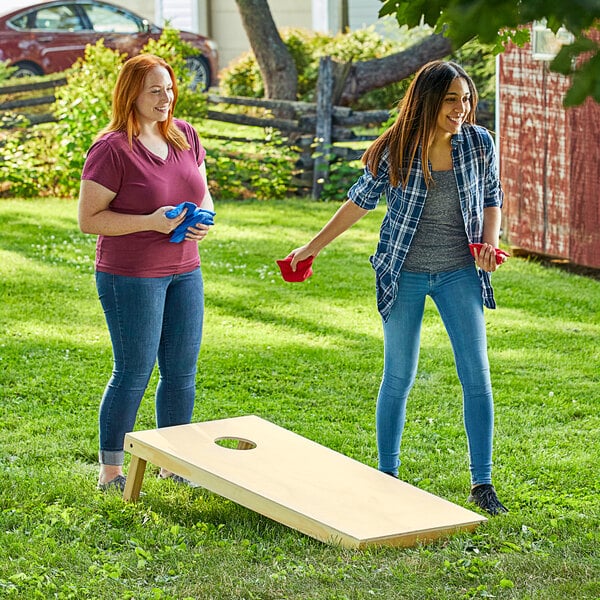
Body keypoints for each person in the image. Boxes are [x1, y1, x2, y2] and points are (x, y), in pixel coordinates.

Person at [289, 60, 508, 515]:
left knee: (476, 375)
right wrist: (312, 246)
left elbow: (492, 197)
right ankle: (386, 475)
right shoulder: (395, 148)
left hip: (458, 272)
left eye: (466, 99)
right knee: (398, 375)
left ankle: (482, 483)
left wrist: (490, 244)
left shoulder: (478, 143)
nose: (461, 109)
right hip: (402, 271)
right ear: (428, 99)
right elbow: (358, 203)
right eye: (451, 99)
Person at [78, 54, 214, 492]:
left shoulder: (185, 136)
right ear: (131, 94)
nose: (165, 97)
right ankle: (112, 471)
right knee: (133, 372)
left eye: (169, 88)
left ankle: (172, 462)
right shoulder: (112, 148)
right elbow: (90, 219)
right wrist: (150, 221)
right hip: (130, 275)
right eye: (155, 90)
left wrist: (204, 219)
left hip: (185, 272)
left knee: (181, 373)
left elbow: (205, 193)